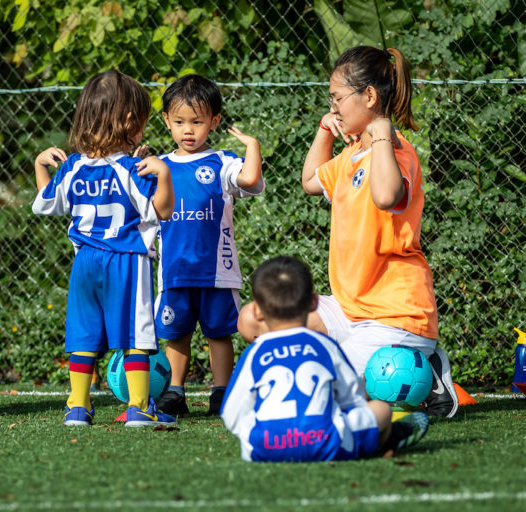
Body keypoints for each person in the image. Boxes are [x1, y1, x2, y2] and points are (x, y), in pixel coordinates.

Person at [243, 46, 456, 418]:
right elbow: (310, 181)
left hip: (395, 317)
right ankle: (419, 367)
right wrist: (325, 128)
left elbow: (387, 194)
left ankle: (425, 369)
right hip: (348, 310)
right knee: (254, 320)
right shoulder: (349, 155)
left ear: (369, 96)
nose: (334, 106)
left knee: (321, 394)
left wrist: (383, 134)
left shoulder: (397, 152)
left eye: (337, 98)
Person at [32, 70, 177, 427]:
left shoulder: (72, 167)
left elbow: (44, 204)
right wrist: (164, 175)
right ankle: (140, 406)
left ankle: (77, 407)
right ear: (128, 121)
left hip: (85, 263)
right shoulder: (131, 169)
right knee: (135, 335)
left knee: (83, 335)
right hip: (125, 261)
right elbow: (163, 210)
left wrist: (39, 165)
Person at [222, 256, 429, 462]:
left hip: (264, 449)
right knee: (381, 410)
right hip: (327, 442)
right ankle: (382, 443)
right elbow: (353, 400)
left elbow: (231, 413)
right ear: (314, 302)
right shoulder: (325, 345)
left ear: (257, 310)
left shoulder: (254, 352)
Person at [153, 74, 264, 417]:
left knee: (219, 334)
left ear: (214, 121)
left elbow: (249, 179)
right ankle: (174, 392)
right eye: (179, 122)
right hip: (174, 271)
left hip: (217, 272)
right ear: (166, 121)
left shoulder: (222, 162)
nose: (188, 130)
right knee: (177, 334)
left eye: (197, 122)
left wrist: (253, 146)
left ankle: (221, 392)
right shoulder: (159, 166)